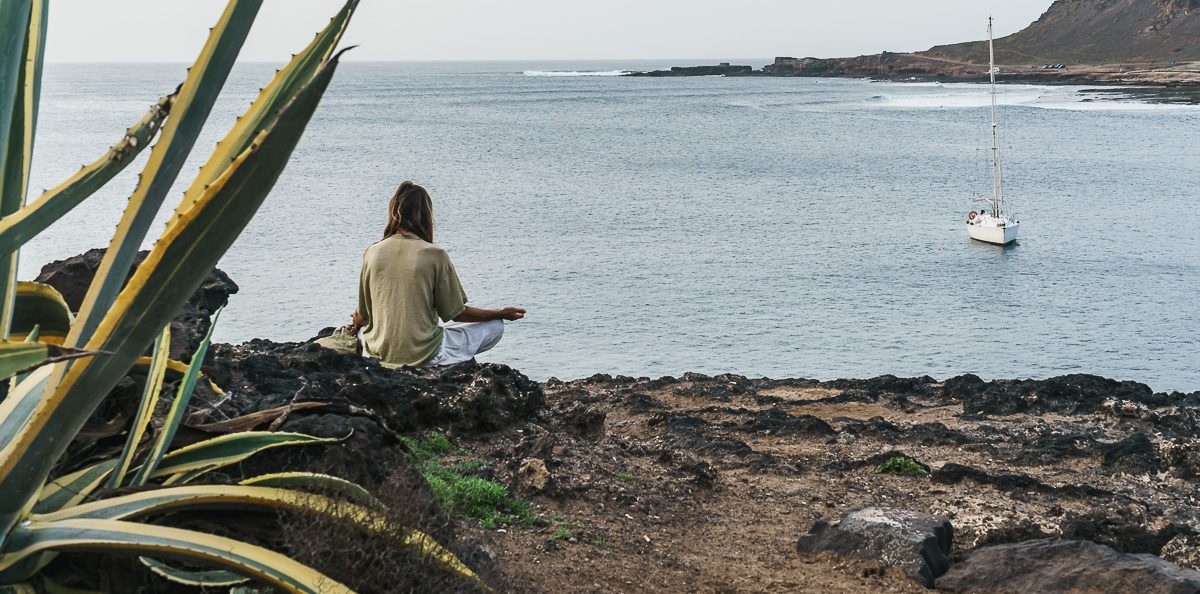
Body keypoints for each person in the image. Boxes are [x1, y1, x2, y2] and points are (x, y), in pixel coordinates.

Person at [351, 181, 525, 368]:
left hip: (378, 352)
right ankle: (446, 362)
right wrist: (500, 313)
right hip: (425, 354)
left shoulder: (372, 251)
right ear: (426, 215)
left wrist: (356, 319)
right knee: (495, 326)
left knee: (364, 333)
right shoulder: (435, 254)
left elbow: (363, 317)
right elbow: (458, 314)